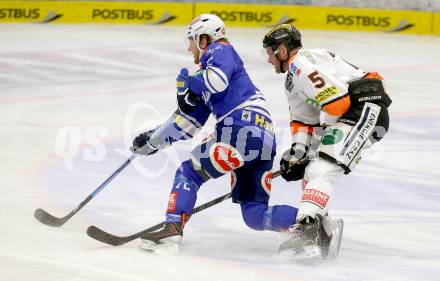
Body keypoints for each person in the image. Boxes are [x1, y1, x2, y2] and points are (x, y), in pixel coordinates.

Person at [131, 14, 299, 253]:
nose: (189, 48)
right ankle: (312, 225)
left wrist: (190, 82)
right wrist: (153, 140)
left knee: (188, 172)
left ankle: (171, 230)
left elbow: (216, 82)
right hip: (262, 139)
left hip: (240, 131)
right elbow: (187, 123)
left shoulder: (219, 50)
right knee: (254, 214)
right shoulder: (209, 73)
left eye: (192, 40)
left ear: (204, 39)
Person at [262, 24, 392, 260]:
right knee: (312, 169)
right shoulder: (293, 78)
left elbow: (338, 104)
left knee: (321, 167)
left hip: (365, 108)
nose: (268, 59)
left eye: (270, 52)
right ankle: (320, 229)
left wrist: (316, 147)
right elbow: (303, 121)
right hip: (355, 111)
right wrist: (298, 153)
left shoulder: (302, 65)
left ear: (282, 50)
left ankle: (309, 229)